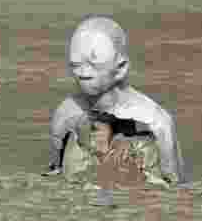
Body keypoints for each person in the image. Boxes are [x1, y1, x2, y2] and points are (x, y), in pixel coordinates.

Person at [47, 16, 187, 186]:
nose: (83, 72)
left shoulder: (157, 122)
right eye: (76, 65)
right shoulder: (66, 115)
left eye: (93, 64)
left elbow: (176, 185)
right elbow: (55, 173)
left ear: (121, 68)